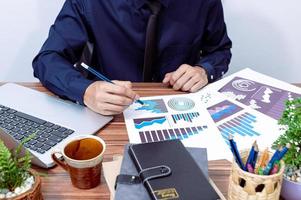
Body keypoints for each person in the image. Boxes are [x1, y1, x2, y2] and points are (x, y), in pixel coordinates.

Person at [33, 0, 232, 116]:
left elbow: (220, 50)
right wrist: (85, 90)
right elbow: (47, 59)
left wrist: (204, 70)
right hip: (110, 113)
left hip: (179, 111)